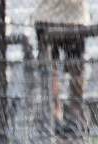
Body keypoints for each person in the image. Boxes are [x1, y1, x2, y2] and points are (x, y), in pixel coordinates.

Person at [34, 0, 89, 136]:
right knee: (75, 68)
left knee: (52, 69)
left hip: (50, 16)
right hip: (73, 18)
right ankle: (73, 116)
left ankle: (56, 115)